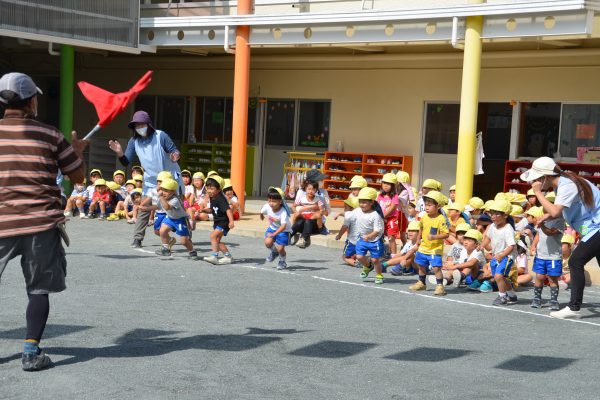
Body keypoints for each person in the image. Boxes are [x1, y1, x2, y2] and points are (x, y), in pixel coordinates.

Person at [0, 72, 88, 371]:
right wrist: (76, 153)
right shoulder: (50, 134)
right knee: (38, 290)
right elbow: (77, 178)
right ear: (32, 101)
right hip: (41, 223)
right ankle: (30, 353)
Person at [521, 156, 600, 319]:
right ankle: (574, 307)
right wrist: (548, 217)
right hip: (593, 228)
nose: (534, 182)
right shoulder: (563, 183)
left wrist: (537, 192)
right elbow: (563, 212)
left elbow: (557, 211)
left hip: (597, 228)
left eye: (536, 179)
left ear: (544, 177)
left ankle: (573, 307)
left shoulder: (567, 184)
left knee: (575, 261)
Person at [108, 111, 182, 248]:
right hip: (151, 179)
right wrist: (119, 153)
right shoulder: (133, 141)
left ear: (149, 125)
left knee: (175, 208)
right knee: (144, 207)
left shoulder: (160, 136)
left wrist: (175, 155)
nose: (139, 127)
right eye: (137, 125)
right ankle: (137, 238)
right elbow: (126, 162)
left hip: (169, 178)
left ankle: (183, 233)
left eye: (142, 124)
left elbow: (174, 150)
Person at [409, 190, 449, 296]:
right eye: (426, 205)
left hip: (435, 248)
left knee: (436, 267)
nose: (427, 207)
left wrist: (434, 237)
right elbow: (421, 228)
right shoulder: (424, 217)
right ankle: (422, 282)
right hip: (424, 246)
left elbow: (446, 234)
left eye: (430, 205)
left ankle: (440, 286)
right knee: (421, 265)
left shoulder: (441, 219)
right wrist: (418, 240)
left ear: (438, 206)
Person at [482, 199, 518, 306]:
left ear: (505, 215)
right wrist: (482, 245)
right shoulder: (492, 226)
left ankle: (502, 297)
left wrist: (502, 255)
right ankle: (512, 295)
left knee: (498, 276)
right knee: (502, 277)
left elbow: (511, 246)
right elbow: (488, 238)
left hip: (506, 256)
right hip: (496, 256)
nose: (493, 216)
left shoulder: (508, 229)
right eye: (492, 213)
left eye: (497, 214)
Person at [530, 210, 565, 310]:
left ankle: (554, 301)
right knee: (539, 277)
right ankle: (537, 299)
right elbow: (538, 234)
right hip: (540, 255)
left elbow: (550, 233)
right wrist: (533, 245)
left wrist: (542, 225)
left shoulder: (560, 221)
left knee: (552, 279)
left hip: (553, 257)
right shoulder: (542, 219)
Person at [155, 179, 198, 259]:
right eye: (162, 190)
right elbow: (156, 206)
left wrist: (160, 196)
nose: (163, 193)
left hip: (180, 220)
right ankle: (166, 248)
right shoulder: (163, 198)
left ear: (173, 192)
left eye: (166, 191)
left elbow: (167, 207)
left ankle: (192, 251)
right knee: (162, 231)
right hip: (170, 218)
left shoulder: (175, 199)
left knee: (183, 241)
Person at [352, 187, 385, 285]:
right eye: (360, 202)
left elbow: (378, 230)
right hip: (363, 239)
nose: (362, 204)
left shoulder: (375, 215)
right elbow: (349, 215)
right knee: (359, 256)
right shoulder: (358, 211)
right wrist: (340, 214)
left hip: (375, 240)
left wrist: (369, 236)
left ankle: (379, 275)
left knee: (375, 259)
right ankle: (367, 267)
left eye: (364, 202)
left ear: (371, 203)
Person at [202, 176, 235, 265]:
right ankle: (228, 257)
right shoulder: (212, 197)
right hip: (218, 222)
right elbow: (213, 209)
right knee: (217, 241)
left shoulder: (221, 199)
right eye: (208, 188)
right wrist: (204, 210)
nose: (209, 191)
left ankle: (214, 256)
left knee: (213, 236)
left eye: (212, 189)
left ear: (219, 189)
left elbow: (228, 210)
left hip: (224, 222)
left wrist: (231, 221)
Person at [260, 187, 292, 270]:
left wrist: (274, 234)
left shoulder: (283, 212)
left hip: (284, 231)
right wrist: (261, 215)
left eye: (274, 201)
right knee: (267, 242)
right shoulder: (267, 206)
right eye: (269, 200)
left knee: (281, 249)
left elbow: (283, 226)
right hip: (272, 228)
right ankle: (274, 252)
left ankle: (282, 261)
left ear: (280, 201)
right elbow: (262, 210)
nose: (271, 203)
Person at [291, 180, 325, 249]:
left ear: (316, 190)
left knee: (308, 220)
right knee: (299, 221)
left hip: (313, 223)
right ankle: (289, 235)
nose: (311, 191)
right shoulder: (301, 199)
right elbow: (293, 206)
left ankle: (303, 239)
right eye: (309, 189)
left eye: (313, 189)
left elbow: (321, 211)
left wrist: (318, 212)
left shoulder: (318, 199)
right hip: (303, 221)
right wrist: (296, 212)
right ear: (305, 189)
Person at [377, 173, 400, 256]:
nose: (386, 186)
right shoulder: (380, 195)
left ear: (393, 186)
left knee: (391, 237)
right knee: (380, 237)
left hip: (391, 219)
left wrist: (383, 216)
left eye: (388, 184)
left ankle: (393, 255)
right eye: (384, 183)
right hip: (381, 219)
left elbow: (392, 208)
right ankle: (383, 252)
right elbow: (378, 207)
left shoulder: (395, 196)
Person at [335, 196, 361, 268]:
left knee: (345, 257)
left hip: (352, 241)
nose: (344, 209)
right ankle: (358, 260)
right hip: (360, 240)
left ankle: (357, 263)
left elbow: (344, 227)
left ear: (352, 209)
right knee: (357, 253)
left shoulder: (349, 215)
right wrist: (340, 214)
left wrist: (339, 235)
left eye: (346, 208)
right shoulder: (359, 213)